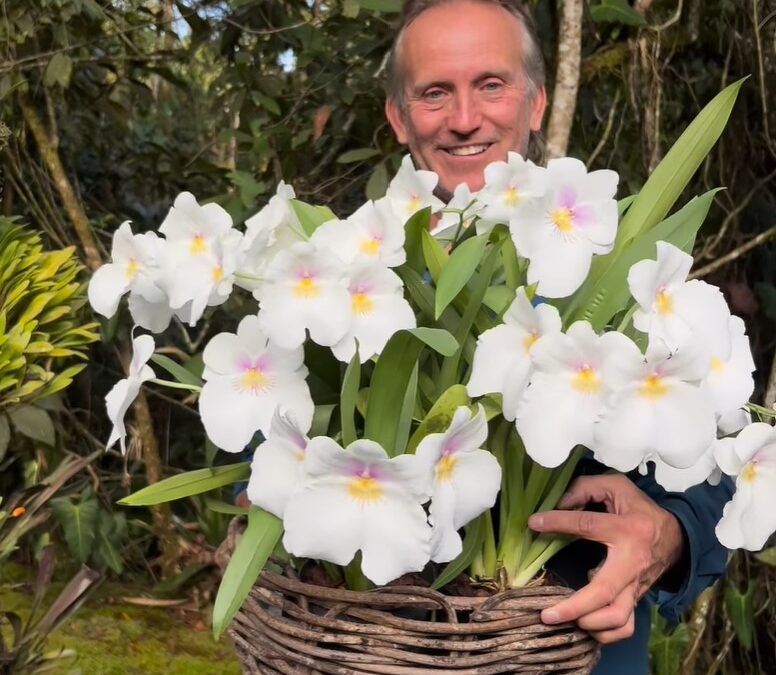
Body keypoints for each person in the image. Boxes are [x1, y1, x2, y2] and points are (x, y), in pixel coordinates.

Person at [383, 1, 732, 673]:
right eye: (434, 92)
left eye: (491, 84)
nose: (463, 118)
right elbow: (274, 460)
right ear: (399, 116)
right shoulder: (352, 270)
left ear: (536, 101)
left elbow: (712, 467)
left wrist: (669, 534)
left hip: (578, 655)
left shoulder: (619, 265)